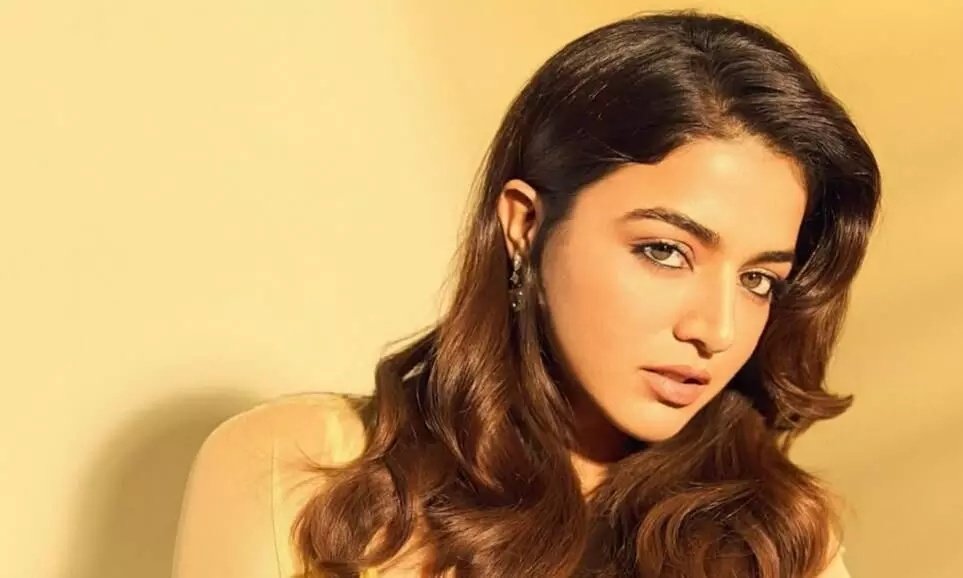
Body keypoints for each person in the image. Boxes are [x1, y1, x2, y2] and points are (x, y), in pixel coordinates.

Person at [172, 10, 880, 578]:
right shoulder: (300, 469)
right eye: (664, 251)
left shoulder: (778, 540)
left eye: (758, 279)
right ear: (525, 226)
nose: (716, 330)